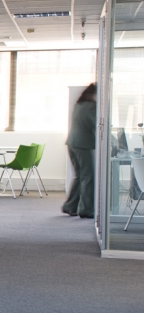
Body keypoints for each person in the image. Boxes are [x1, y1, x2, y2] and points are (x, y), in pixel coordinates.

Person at [63, 84, 97, 218]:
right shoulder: (91, 106)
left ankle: (70, 206)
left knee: (80, 175)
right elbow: (98, 124)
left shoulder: (79, 105)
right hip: (82, 144)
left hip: (72, 143)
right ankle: (85, 209)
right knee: (88, 176)